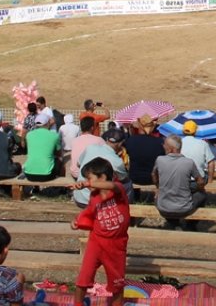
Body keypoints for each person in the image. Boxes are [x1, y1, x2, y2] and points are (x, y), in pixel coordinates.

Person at [71, 158, 131, 306]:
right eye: (85, 178)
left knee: (117, 283)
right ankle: (77, 303)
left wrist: (88, 184)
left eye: (89, 177)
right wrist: (77, 221)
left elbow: (111, 185)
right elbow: (89, 213)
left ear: (102, 177)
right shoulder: (94, 197)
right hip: (96, 242)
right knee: (84, 277)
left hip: (116, 245)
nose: (86, 181)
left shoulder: (118, 189)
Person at [153, 135, 206, 230]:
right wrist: (199, 188)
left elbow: (154, 175)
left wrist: (158, 187)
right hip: (184, 208)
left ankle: (174, 223)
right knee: (202, 194)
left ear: (170, 149)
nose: (163, 146)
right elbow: (200, 181)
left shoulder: (160, 160)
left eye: (165, 145)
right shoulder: (189, 162)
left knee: (157, 197)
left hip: (163, 207)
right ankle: (191, 225)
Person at [73, 129, 130, 207]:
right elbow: (123, 178)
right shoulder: (116, 161)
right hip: (97, 201)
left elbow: (78, 164)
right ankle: (126, 205)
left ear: (106, 139)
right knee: (128, 183)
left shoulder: (90, 147)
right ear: (121, 144)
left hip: (80, 197)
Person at [123, 116, 165, 195]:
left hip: (134, 177)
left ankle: (136, 197)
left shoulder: (131, 140)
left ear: (139, 126)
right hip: (153, 178)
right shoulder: (159, 142)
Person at [21, 115, 60, 187]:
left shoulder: (29, 135)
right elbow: (58, 153)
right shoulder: (54, 135)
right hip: (47, 175)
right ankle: (59, 189)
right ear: (48, 123)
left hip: (29, 175)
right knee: (58, 161)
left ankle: (35, 188)